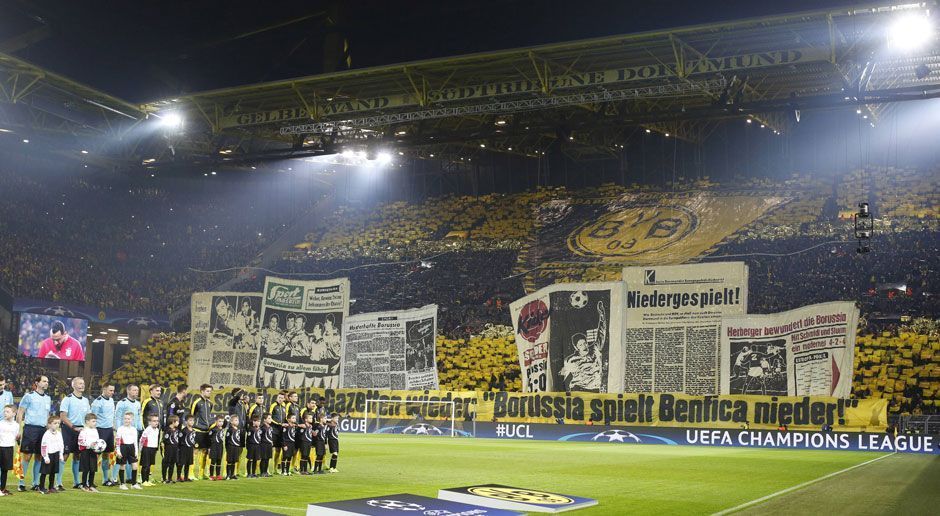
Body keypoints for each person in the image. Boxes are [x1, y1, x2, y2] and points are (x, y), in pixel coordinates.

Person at [17, 375, 51, 492]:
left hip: (43, 430)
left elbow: (47, 416)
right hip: (30, 429)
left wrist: (49, 430)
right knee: (27, 456)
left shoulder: (48, 398)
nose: (46, 383)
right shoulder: (28, 396)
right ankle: (21, 483)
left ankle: (35, 483)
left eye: (47, 381)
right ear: (37, 383)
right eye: (44, 381)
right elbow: (20, 412)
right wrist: (19, 429)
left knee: (39, 457)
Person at [59, 376, 90, 489]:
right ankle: (58, 482)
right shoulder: (67, 399)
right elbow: (63, 416)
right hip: (69, 429)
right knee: (65, 454)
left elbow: (88, 416)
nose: (82, 385)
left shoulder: (86, 400)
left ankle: (76, 482)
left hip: (81, 430)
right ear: (74, 385)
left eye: (83, 383)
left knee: (77, 455)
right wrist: (73, 427)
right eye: (80, 383)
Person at [113, 384, 141, 484]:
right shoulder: (122, 403)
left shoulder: (138, 403)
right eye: (134, 390)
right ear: (128, 391)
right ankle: (114, 477)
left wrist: (139, 428)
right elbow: (117, 417)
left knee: (131, 455)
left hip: (133, 432)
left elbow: (138, 416)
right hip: (123, 433)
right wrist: (119, 430)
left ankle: (129, 478)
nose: (136, 392)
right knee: (120, 456)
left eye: (137, 390)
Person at [90, 384, 116, 486]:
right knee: (96, 454)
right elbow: (93, 417)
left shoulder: (111, 400)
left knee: (106, 454)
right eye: (110, 390)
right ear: (104, 389)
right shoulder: (97, 402)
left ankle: (105, 479)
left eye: (113, 391)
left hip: (109, 430)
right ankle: (89, 479)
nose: (112, 392)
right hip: (100, 430)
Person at [190, 383, 213, 480]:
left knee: (205, 452)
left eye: (210, 391)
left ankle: (201, 473)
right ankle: (190, 473)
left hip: (206, 431)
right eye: (207, 391)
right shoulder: (196, 402)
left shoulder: (210, 403)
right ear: (202, 391)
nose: (209, 393)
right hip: (197, 430)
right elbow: (191, 415)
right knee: (194, 451)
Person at [114, 412, 141, 490]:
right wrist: (118, 451)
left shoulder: (134, 429)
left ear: (132, 420)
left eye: (128, 419)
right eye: (125, 418)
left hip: (131, 447)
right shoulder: (120, 429)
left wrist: (136, 451)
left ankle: (134, 483)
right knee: (123, 465)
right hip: (123, 447)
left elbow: (135, 441)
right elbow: (118, 441)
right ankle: (122, 484)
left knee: (135, 465)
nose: (126, 420)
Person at [39, 415, 64, 494]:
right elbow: (43, 446)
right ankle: (41, 487)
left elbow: (61, 444)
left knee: (53, 472)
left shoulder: (59, 433)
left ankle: (51, 487)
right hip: (48, 455)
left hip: (56, 454)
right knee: (44, 472)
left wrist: (61, 454)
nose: (57, 425)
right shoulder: (46, 434)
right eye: (55, 423)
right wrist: (45, 457)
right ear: (49, 424)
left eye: (58, 423)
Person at [76, 413, 99, 491]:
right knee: (86, 469)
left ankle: (91, 484)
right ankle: (84, 484)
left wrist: (98, 447)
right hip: (85, 451)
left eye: (95, 421)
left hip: (93, 451)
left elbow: (97, 441)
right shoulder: (84, 431)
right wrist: (89, 445)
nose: (95, 423)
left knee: (93, 468)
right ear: (87, 421)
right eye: (93, 421)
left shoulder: (95, 430)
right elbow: (80, 442)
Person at [0, 404, 18, 496]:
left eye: (8, 411)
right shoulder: (1, 424)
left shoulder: (16, 425)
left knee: (5, 469)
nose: (5, 413)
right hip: (1, 447)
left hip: (9, 448)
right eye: (5, 411)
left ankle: (2, 488)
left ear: (14, 413)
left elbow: (15, 437)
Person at [268, 391, 286, 474]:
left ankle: (275, 468)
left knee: (278, 450)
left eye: (282, 398)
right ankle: (267, 468)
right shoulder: (273, 405)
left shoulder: (284, 406)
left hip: (281, 431)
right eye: (279, 398)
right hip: (274, 430)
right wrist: (278, 424)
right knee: (270, 449)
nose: (281, 399)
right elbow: (269, 417)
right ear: (277, 398)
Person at [139, 415, 160, 486]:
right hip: (146, 448)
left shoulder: (157, 430)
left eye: (157, 421)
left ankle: (147, 480)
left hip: (153, 449)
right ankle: (143, 481)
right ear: (150, 422)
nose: (156, 422)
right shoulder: (148, 429)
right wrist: (141, 449)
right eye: (154, 421)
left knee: (149, 465)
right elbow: (142, 440)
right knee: (145, 465)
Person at [285, 391, 301, 472]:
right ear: (290, 398)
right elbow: (286, 416)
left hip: (296, 430)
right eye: (294, 396)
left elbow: (299, 418)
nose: (296, 397)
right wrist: (289, 425)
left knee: (296, 449)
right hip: (290, 429)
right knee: (288, 449)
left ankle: (292, 466)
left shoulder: (297, 406)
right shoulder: (288, 405)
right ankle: (282, 466)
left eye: (297, 396)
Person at [177, 415, 195, 482]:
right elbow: (179, 439)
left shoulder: (193, 430)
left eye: (193, 420)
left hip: (190, 449)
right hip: (183, 449)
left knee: (188, 463)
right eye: (190, 420)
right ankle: (178, 477)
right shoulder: (183, 430)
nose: (192, 422)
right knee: (181, 463)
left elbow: (192, 440)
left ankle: (186, 477)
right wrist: (179, 448)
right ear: (186, 421)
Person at [162, 415, 180, 484]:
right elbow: (165, 440)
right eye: (177, 421)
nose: (178, 423)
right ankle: (164, 478)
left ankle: (170, 478)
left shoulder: (177, 430)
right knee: (166, 463)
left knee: (172, 463)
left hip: (175, 449)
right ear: (173, 422)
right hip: (169, 448)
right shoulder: (167, 430)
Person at [224, 415, 242, 480]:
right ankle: (228, 475)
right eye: (235, 420)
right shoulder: (230, 430)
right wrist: (227, 448)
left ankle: (232, 474)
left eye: (238, 420)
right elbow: (227, 439)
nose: (237, 422)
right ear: (231, 422)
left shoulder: (238, 429)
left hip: (236, 447)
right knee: (229, 461)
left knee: (234, 461)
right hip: (230, 447)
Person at [208, 414, 226, 481]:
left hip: (220, 447)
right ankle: (211, 475)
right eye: (219, 421)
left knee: (219, 461)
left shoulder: (222, 429)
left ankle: (218, 475)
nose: (221, 423)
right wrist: (209, 447)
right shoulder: (213, 429)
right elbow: (209, 438)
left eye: (222, 421)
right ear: (216, 421)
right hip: (214, 447)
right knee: (213, 461)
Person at [259, 413, 274, 478]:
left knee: (267, 458)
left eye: (271, 418)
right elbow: (260, 436)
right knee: (264, 459)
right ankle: (262, 472)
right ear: (264, 420)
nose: (271, 420)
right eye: (269, 418)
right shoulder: (262, 428)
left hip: (269, 445)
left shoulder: (270, 427)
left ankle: (265, 472)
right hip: (263, 445)